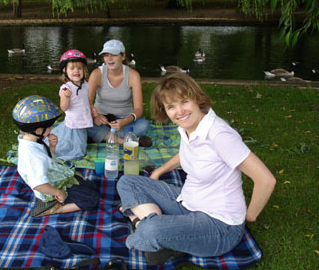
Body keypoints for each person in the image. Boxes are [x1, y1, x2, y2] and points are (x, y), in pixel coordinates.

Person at [116, 73, 276, 264]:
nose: (179, 111)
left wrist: (250, 215)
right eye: (171, 107)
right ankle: (160, 232)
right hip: (188, 203)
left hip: (219, 227)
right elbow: (185, 154)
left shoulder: (220, 135)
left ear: (196, 98)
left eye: (184, 101)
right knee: (127, 182)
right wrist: (159, 172)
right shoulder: (188, 128)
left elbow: (266, 180)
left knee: (152, 231)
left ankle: (145, 227)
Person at [12, 95, 99, 217]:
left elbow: (46, 159)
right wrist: (58, 193)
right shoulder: (32, 156)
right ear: (38, 131)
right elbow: (38, 184)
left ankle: (62, 198)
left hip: (59, 179)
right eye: (49, 127)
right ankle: (56, 208)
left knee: (91, 186)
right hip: (52, 189)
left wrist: (52, 148)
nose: (51, 129)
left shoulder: (32, 142)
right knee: (92, 199)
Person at [87, 39, 151, 146]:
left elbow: (139, 109)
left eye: (114, 55)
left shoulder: (133, 75)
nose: (109, 59)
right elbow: (86, 102)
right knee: (82, 122)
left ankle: (102, 137)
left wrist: (124, 122)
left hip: (124, 120)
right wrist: (95, 116)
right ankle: (123, 140)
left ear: (123, 56)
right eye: (106, 55)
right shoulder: (96, 74)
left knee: (143, 125)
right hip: (101, 120)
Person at [51, 49, 94, 161]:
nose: (76, 71)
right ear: (65, 70)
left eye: (79, 68)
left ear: (84, 70)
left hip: (83, 121)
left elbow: (86, 100)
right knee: (77, 153)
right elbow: (64, 108)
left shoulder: (85, 85)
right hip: (74, 124)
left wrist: (92, 108)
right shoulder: (66, 88)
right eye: (72, 68)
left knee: (80, 142)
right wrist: (66, 97)